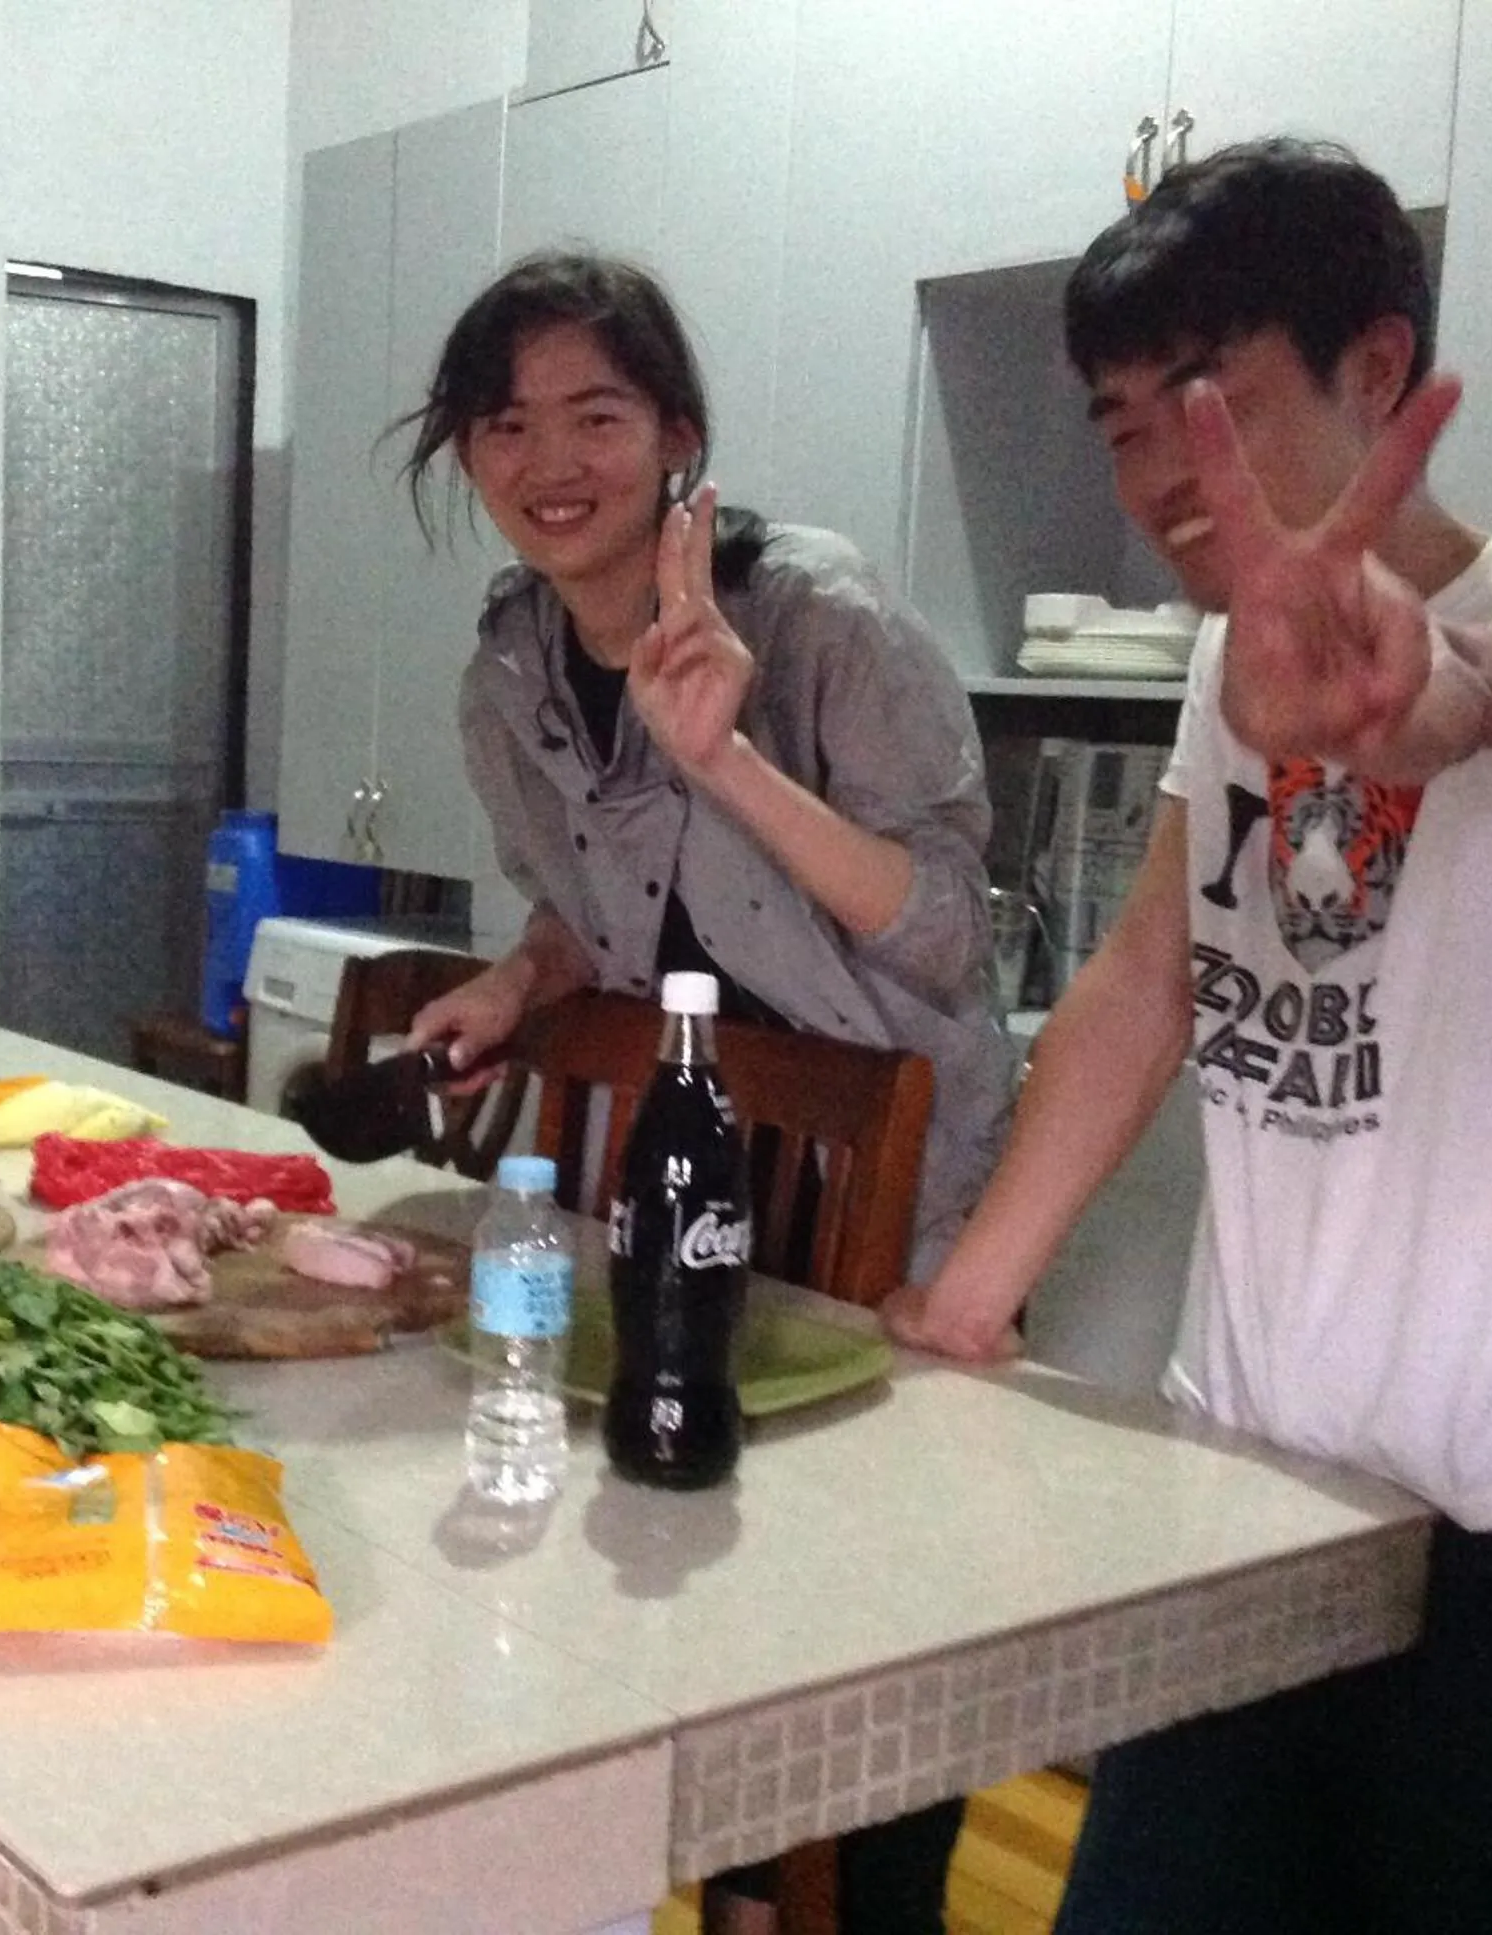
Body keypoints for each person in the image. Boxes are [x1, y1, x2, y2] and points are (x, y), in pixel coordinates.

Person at [890, 141, 1492, 1934]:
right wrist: (970, 1296)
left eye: (1209, 402)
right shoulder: (1222, 671)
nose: (1163, 479)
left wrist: (1430, 701)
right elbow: (1142, 980)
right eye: (1121, 426)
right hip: (1248, 1520)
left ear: (1378, 367)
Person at [397, 250, 1015, 1935]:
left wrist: (721, 754)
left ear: (678, 431)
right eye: (505, 422)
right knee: (665, 1565)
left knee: (867, 1616)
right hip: (684, 1162)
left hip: (884, 1180)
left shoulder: (823, 622)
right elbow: (586, 913)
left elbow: (952, 935)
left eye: (596, 412)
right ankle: (703, 1879)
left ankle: (824, 1906)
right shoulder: (510, 669)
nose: (550, 460)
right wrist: (513, 988)